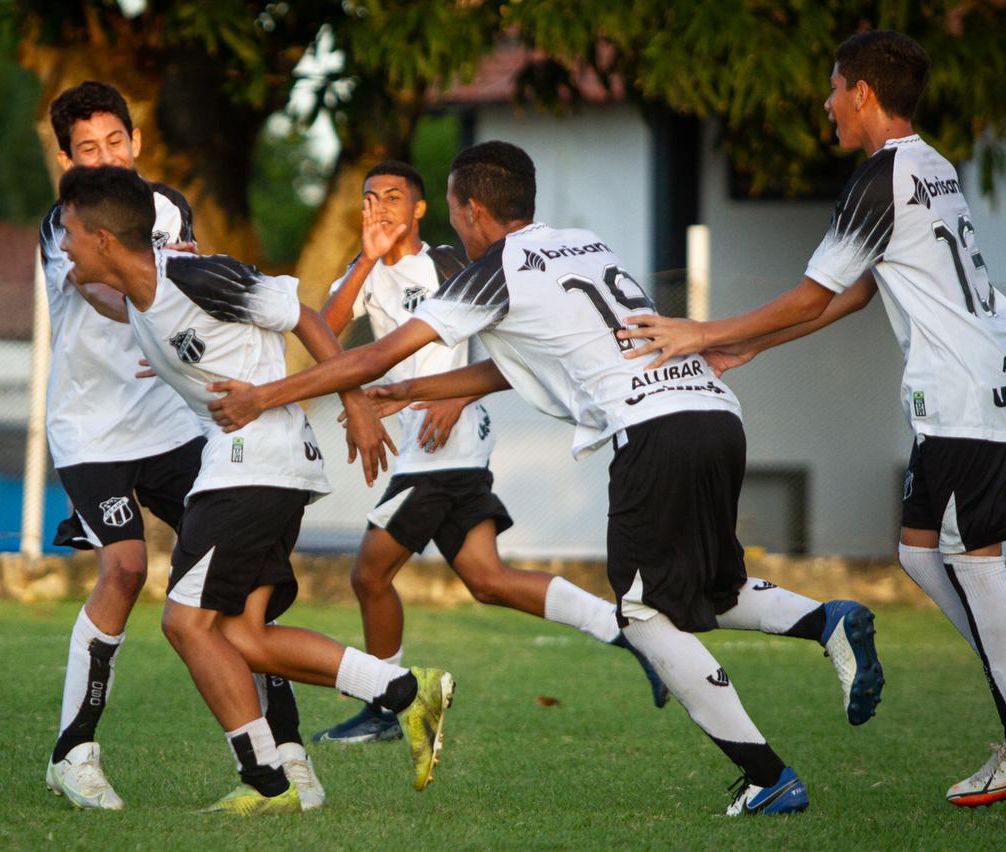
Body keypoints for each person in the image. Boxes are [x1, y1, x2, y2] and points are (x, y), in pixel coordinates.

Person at [206, 140, 886, 816]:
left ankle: (767, 775)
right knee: (713, 589)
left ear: (472, 210)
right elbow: (521, 365)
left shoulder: (492, 269)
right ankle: (827, 619)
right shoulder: (583, 245)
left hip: (656, 434)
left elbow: (377, 353)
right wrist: (409, 394)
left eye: (452, 210)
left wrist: (265, 396)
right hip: (711, 414)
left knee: (644, 615)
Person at [620, 31, 1006, 808]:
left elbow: (811, 294)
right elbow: (851, 294)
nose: (825, 105)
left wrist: (705, 333)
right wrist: (752, 345)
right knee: (921, 554)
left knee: (972, 556)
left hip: (964, 389)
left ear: (861, 92)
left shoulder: (879, 179)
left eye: (832, 89)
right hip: (989, 370)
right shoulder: (931, 165)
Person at [56, 164, 454, 815]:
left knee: (186, 623)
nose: (63, 241)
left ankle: (268, 781)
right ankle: (406, 693)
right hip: (264, 470)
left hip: (251, 466)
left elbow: (302, 316)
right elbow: (125, 305)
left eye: (69, 230)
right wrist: (82, 285)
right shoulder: (140, 295)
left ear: (103, 236)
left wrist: (352, 402)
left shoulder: (199, 275)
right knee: (245, 636)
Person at [312, 160, 667, 745]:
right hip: (428, 443)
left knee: (370, 574)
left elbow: (488, 321)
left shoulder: (450, 260)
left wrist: (452, 393)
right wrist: (367, 258)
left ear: (420, 209)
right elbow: (323, 334)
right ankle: (623, 629)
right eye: (370, 198)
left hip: (444, 440)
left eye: (393, 197)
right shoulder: (365, 273)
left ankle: (386, 706)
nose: (380, 208)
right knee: (486, 578)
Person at [39, 82, 323, 810]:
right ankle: (74, 753)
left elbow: (181, 280)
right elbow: (106, 289)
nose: (105, 156)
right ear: (66, 158)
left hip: (172, 424)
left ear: (135, 143)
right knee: (127, 569)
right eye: (87, 148)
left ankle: (285, 755)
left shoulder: (165, 210)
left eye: (114, 142)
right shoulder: (60, 225)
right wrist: (138, 298)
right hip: (91, 428)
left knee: (239, 581)